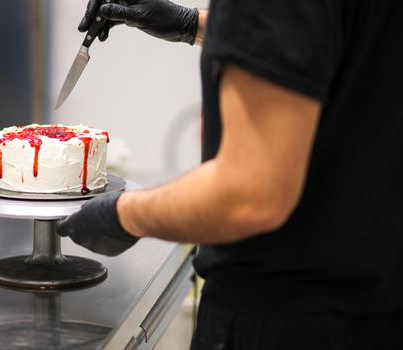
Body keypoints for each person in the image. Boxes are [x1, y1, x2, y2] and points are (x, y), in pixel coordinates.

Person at [57, 0, 403, 348]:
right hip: (373, 302)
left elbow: (251, 195)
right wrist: (191, 25)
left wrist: (122, 216)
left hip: (288, 321)